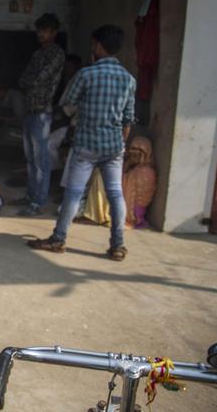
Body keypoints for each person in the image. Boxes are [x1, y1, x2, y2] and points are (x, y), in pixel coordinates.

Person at [28, 25, 136, 261]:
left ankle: (58, 240)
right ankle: (117, 246)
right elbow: (128, 119)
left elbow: (68, 107)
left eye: (93, 44)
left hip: (86, 145)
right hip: (114, 146)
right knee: (116, 195)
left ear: (97, 45)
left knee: (73, 194)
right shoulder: (129, 79)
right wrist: (121, 145)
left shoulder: (86, 74)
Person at [14, 13, 66, 216]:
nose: (40, 34)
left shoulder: (56, 54)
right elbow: (24, 79)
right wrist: (29, 81)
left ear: (54, 32)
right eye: (39, 30)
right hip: (30, 110)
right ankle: (31, 195)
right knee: (30, 157)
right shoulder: (37, 54)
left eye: (44, 30)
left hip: (42, 111)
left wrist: (29, 82)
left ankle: (38, 201)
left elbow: (37, 79)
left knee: (40, 159)